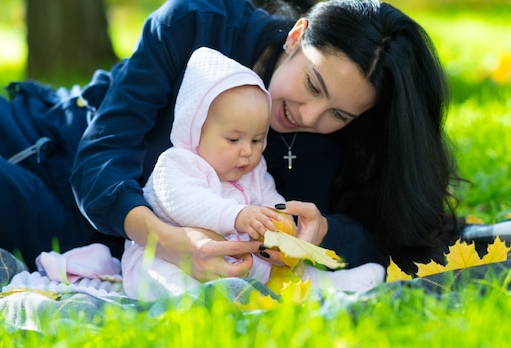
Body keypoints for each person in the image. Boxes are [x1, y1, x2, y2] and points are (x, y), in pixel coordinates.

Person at [0, 0, 460, 281]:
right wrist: (168, 240)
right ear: (297, 36)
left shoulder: (356, 132)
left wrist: (323, 236)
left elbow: (396, 234)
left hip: (60, 224)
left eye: (338, 114)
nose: (308, 115)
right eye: (312, 85)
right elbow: (99, 161)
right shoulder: (197, 24)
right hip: (37, 145)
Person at [122, 47, 384, 301]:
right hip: (171, 256)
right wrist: (236, 215)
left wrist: (280, 226)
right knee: (156, 274)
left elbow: (269, 197)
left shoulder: (253, 171)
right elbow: (183, 201)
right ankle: (197, 300)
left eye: (257, 140)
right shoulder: (177, 163)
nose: (247, 151)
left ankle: (332, 285)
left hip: (241, 261)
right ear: (196, 128)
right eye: (234, 139)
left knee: (281, 270)